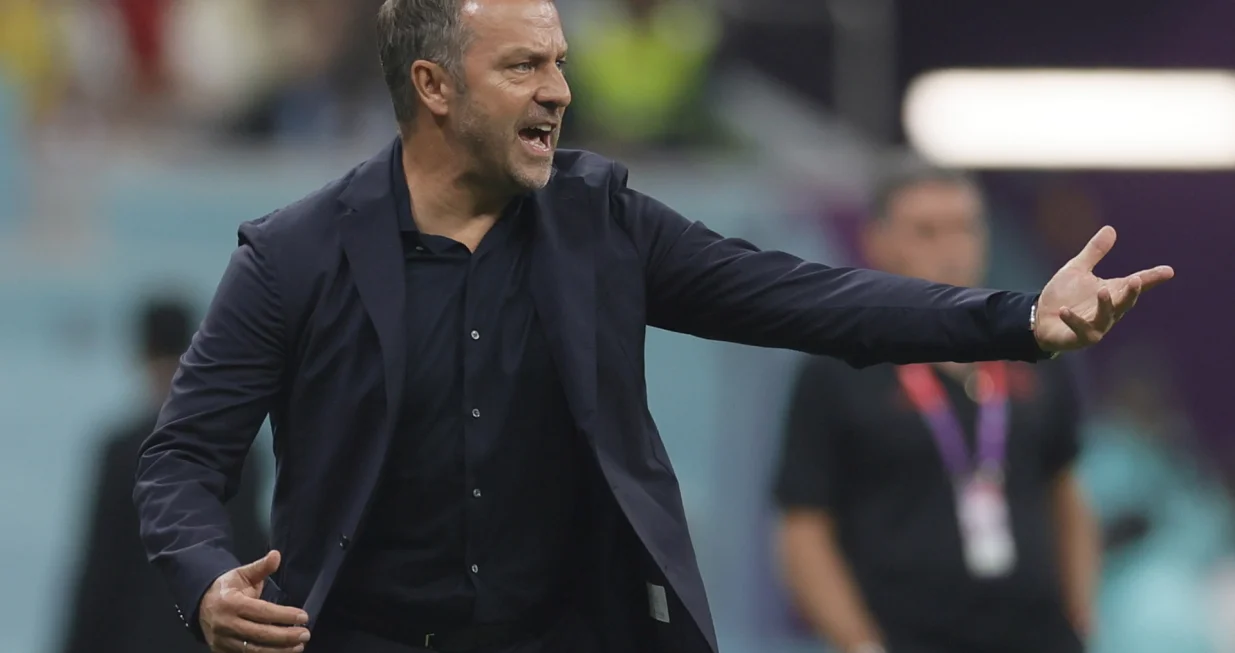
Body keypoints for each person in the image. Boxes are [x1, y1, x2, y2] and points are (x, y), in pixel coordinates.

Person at [131, 0, 1173, 651]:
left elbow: (805, 297)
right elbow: (180, 457)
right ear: (433, 86)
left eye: (560, 61)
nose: (562, 90)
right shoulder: (294, 254)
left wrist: (1016, 317)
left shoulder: (602, 222)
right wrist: (205, 581)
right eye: (525, 67)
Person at [772, 164, 1101, 653]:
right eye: (926, 231)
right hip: (906, 637)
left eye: (965, 227)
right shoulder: (838, 370)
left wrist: (1080, 619)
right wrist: (859, 643)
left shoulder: (1033, 350)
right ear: (877, 241)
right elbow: (803, 526)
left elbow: (1066, 491)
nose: (951, 248)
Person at [60, 297, 269, 653]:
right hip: (214, 640)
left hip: (134, 640)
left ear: (142, 353)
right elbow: (254, 555)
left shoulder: (123, 451)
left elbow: (100, 572)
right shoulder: (243, 452)